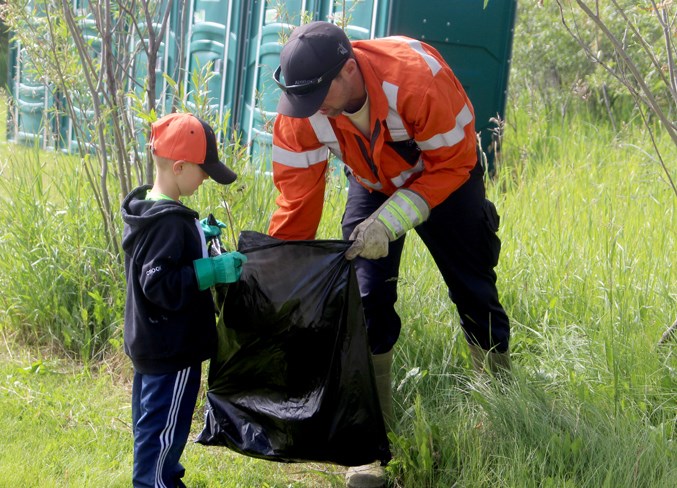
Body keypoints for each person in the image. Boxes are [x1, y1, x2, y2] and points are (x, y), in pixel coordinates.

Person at [269, 21, 511, 487]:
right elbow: (295, 200)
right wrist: (281, 270)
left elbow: (455, 162)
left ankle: (500, 413)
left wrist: (392, 219)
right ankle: (370, 445)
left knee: (474, 290)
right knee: (365, 300)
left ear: (346, 72)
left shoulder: (418, 82)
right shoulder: (300, 109)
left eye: (317, 97)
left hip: (447, 179)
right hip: (371, 180)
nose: (308, 110)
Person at [121, 112, 247, 487]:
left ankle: (161, 478)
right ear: (178, 167)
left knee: (152, 427)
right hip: (172, 352)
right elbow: (158, 283)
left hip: (150, 346)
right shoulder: (170, 222)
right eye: (203, 169)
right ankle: (156, 483)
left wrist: (200, 236)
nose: (206, 176)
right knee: (162, 432)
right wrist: (211, 270)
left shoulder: (148, 209)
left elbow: (160, 258)